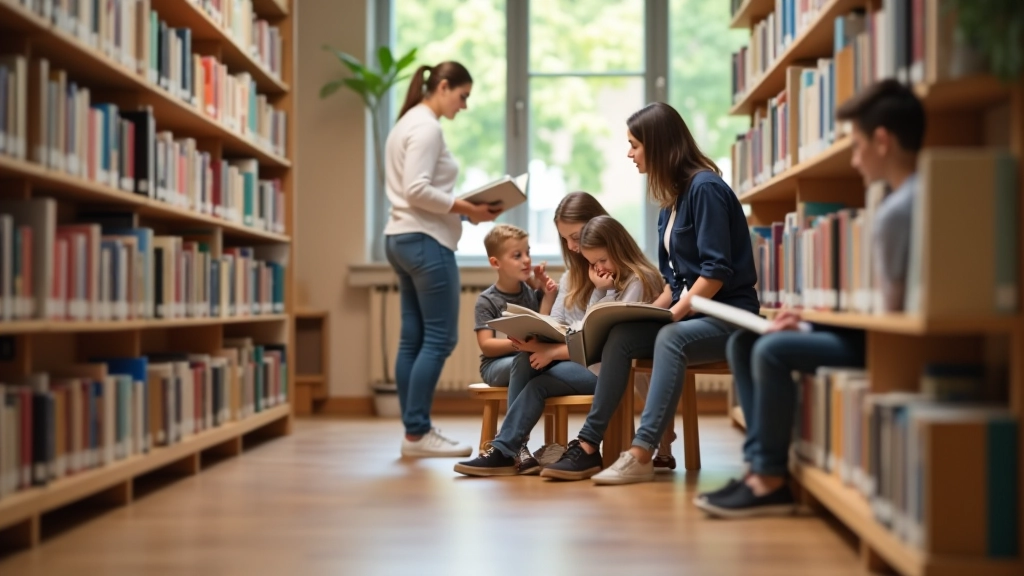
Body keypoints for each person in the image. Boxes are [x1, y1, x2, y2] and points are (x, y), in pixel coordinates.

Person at [695, 79, 926, 517]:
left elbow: (888, 316)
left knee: (772, 349)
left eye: (857, 146)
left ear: (883, 141)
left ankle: (768, 480)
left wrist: (811, 326)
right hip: (867, 331)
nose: (854, 159)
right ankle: (758, 467)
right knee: (742, 341)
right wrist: (812, 322)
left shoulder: (899, 209)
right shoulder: (897, 200)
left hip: (886, 345)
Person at [540, 102, 759, 484]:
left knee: (670, 337)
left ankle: (641, 451)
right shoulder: (668, 206)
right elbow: (676, 284)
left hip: (727, 316)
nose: (630, 154)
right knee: (622, 335)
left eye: (635, 145)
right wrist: (652, 312)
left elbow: (715, 273)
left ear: (658, 146)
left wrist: (672, 316)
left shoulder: (706, 189)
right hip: (693, 314)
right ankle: (590, 447)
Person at [455, 212, 666, 476]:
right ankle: (507, 450)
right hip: (589, 364)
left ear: (619, 247)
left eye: (602, 259)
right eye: (593, 263)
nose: (599, 267)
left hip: (603, 370)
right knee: (532, 375)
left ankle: (506, 450)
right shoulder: (612, 280)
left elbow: (600, 339)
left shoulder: (637, 280)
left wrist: (552, 350)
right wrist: (601, 289)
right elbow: (593, 325)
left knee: (532, 368)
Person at [385, 61, 503, 458]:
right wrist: (465, 205)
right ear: (444, 86)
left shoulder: (406, 122)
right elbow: (417, 190)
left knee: (413, 338)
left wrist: (465, 210)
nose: (464, 106)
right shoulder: (426, 127)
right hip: (424, 240)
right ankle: (417, 434)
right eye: (463, 96)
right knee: (440, 337)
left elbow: (415, 192)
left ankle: (413, 433)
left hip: (402, 238)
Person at [473, 224, 556, 390]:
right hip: (496, 366)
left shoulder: (532, 291)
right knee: (527, 361)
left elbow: (545, 324)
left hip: (531, 358)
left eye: (528, 253)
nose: (526, 260)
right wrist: (522, 344)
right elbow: (487, 346)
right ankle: (517, 416)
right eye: (517, 255)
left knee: (548, 361)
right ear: (496, 263)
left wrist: (548, 294)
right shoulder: (487, 300)